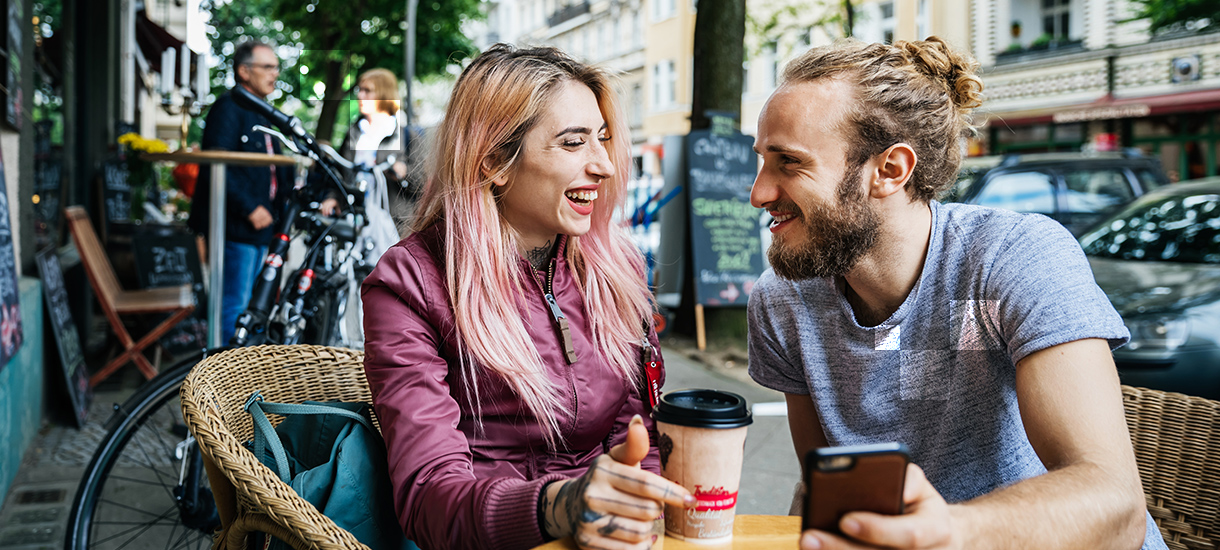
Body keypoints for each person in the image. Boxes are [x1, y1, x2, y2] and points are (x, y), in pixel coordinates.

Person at [745, 38, 1168, 550]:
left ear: (889, 170)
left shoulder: (1011, 257)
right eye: (763, 161)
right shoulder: (784, 301)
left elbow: (1115, 507)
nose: (759, 193)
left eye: (788, 163)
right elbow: (828, 484)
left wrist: (950, 532)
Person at [361, 44, 693, 550]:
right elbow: (429, 498)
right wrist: (562, 505)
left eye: (602, 139)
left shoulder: (613, 267)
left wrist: (635, 517)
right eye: (573, 142)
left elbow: (637, 436)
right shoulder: (410, 284)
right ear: (495, 160)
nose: (604, 165)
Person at [188, 40, 292, 344]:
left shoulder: (264, 111)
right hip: (238, 226)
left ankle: (248, 379)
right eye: (268, 66)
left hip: (264, 228)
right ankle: (223, 382)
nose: (275, 73)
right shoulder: (228, 108)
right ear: (244, 71)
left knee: (256, 308)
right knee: (234, 306)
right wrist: (249, 207)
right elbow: (216, 165)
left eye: (276, 66)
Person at [318, 68, 412, 220]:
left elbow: (423, 182)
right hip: (355, 220)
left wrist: (404, 173)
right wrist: (333, 197)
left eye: (367, 90)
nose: (360, 95)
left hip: (392, 225)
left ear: (384, 93)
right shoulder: (354, 133)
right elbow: (339, 172)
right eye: (359, 90)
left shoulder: (404, 135)